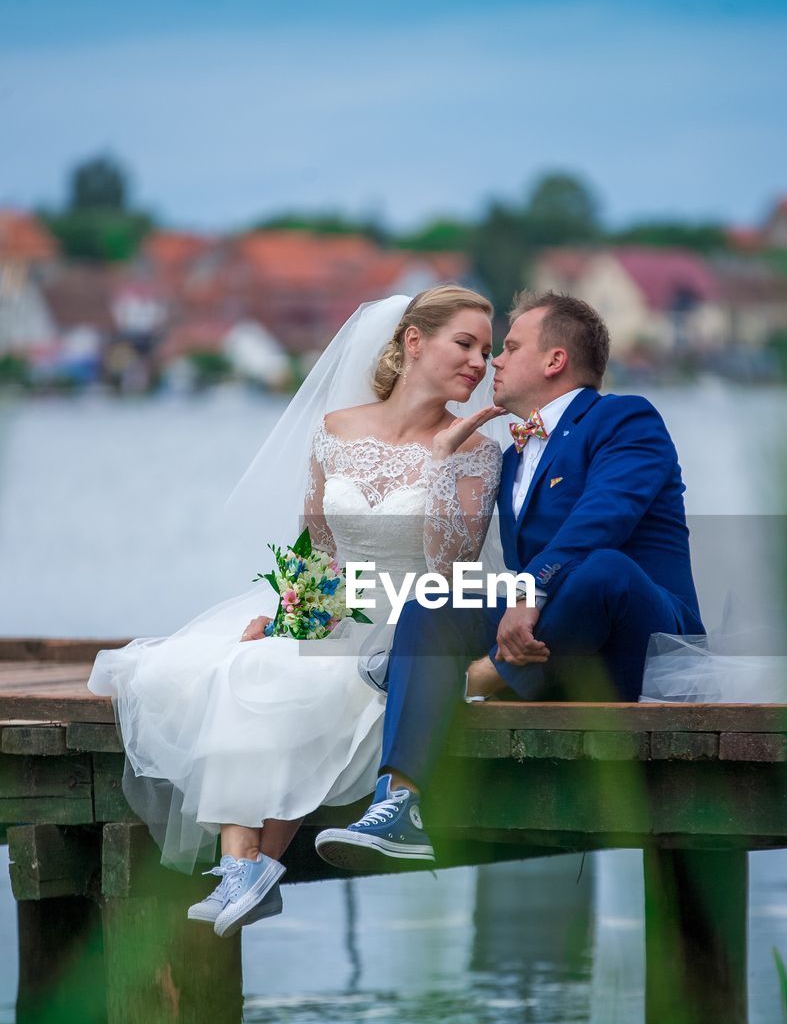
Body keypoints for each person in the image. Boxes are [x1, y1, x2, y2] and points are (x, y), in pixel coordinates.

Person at [88, 286, 504, 936]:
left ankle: (255, 867)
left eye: (488, 349)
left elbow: (453, 573)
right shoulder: (336, 430)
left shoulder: (478, 451)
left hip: (409, 628)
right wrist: (290, 619)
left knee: (299, 684)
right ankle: (241, 868)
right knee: (248, 665)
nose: (480, 362)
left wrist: (445, 466)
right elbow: (321, 547)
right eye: (465, 343)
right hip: (334, 612)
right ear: (414, 342)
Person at [314, 290, 705, 872]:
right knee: (435, 599)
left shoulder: (626, 419)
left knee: (604, 566)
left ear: (554, 361)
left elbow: (605, 516)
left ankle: (478, 677)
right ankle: (398, 805)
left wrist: (526, 591)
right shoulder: (514, 453)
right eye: (480, 347)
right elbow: (362, 554)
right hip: (555, 648)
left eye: (509, 347)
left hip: (640, 639)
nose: (492, 362)